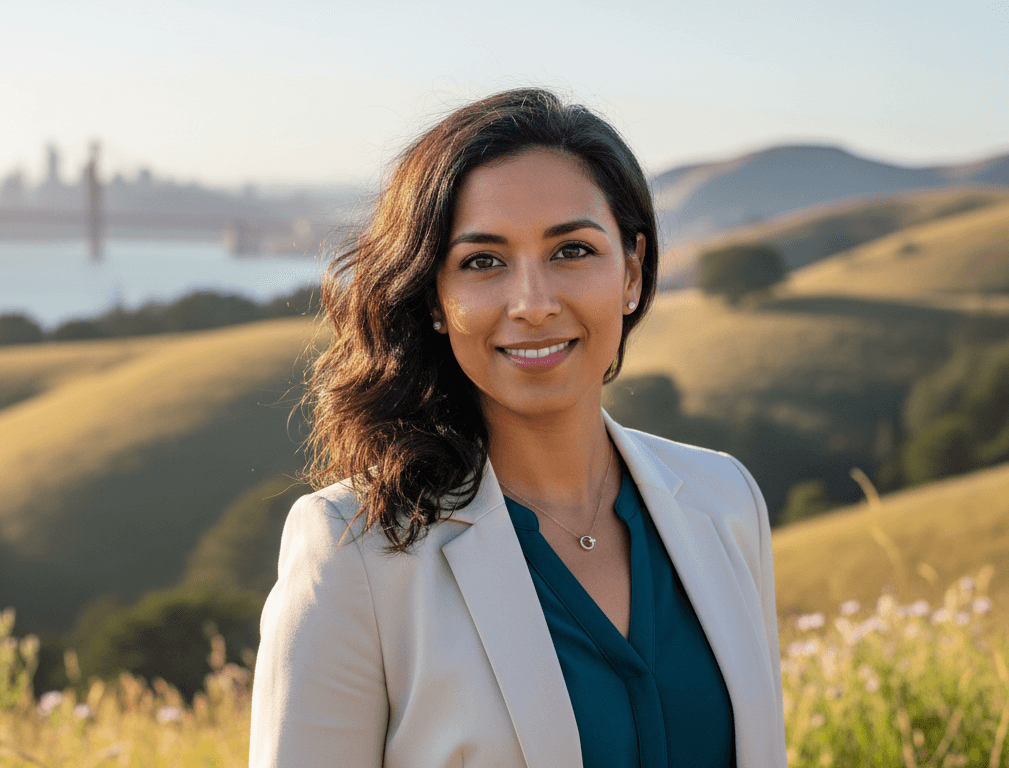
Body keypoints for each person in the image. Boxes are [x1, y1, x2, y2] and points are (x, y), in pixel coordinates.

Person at [249, 88, 787, 768]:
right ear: (436, 300)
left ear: (632, 270)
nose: (532, 303)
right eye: (483, 262)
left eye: (572, 251)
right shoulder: (353, 552)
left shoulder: (724, 501)